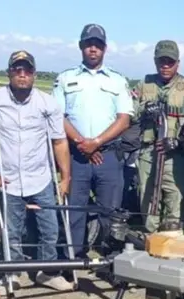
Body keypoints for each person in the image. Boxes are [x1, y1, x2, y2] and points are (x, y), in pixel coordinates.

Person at [0, 50, 74, 295]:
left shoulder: (47, 103)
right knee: (11, 230)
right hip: (8, 179)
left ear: (34, 74)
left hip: (41, 177)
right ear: (9, 73)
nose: (22, 74)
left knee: (50, 229)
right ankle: (11, 273)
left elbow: (59, 141)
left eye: (27, 70)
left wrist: (65, 177)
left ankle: (47, 272)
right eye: (17, 69)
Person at [53, 23, 133, 260]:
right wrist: (82, 143)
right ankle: (73, 260)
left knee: (110, 212)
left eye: (98, 45)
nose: (93, 49)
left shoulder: (118, 80)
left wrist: (96, 142)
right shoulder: (66, 78)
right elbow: (58, 116)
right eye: (89, 44)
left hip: (107, 156)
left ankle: (110, 261)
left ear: (105, 49)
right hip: (76, 156)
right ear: (81, 47)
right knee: (74, 211)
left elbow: (124, 119)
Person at [132, 40, 184, 233]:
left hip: (177, 156)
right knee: (148, 200)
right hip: (149, 152)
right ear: (155, 61)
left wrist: (180, 142)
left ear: (177, 63)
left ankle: (172, 244)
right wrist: (145, 109)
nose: (165, 66)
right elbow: (129, 114)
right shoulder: (144, 84)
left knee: (176, 202)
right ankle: (149, 241)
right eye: (161, 61)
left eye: (170, 62)